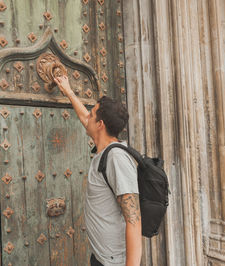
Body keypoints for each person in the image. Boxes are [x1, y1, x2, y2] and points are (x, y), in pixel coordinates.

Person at [54, 76, 142, 266]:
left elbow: (134, 221)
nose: (89, 116)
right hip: (101, 257)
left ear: (100, 125)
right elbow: (85, 118)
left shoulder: (116, 159)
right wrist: (69, 92)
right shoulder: (105, 150)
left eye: (92, 114)